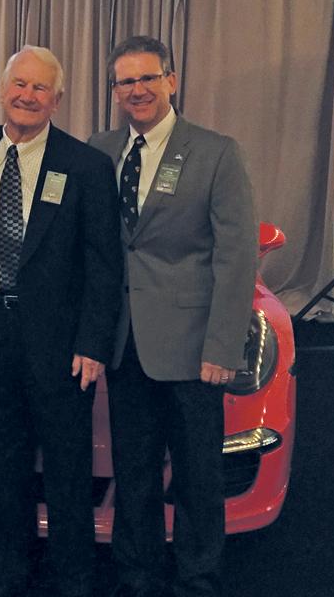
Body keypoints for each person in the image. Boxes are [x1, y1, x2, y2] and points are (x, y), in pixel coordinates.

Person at [88, 36, 257, 597]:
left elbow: (236, 260)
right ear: (113, 91)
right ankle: (135, 575)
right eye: (124, 82)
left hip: (191, 348)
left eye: (147, 78)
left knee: (195, 477)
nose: (136, 90)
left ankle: (197, 578)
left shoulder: (215, 152)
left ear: (171, 80)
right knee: (132, 471)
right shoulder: (101, 149)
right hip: (123, 342)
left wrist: (222, 348)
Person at [0, 46, 122, 597]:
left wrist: (94, 341)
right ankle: (6, 574)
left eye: (39, 88)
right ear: (2, 89)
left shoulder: (86, 166)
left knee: (66, 468)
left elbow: (105, 265)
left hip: (59, 342)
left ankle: (72, 578)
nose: (27, 96)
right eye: (18, 85)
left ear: (58, 98)